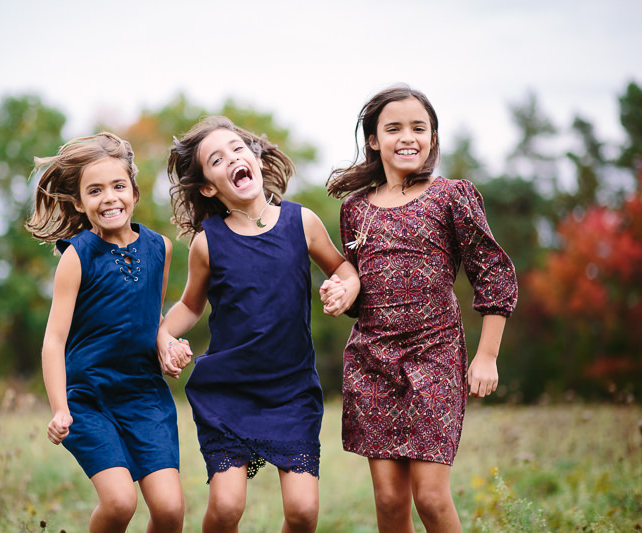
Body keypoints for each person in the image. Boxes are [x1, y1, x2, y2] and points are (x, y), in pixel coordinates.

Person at [323, 85, 518, 533]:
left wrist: (487, 355)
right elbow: (358, 280)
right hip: (372, 360)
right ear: (373, 139)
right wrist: (342, 292)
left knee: (429, 497)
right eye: (393, 128)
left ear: (432, 136)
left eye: (418, 127)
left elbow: (493, 273)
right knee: (390, 501)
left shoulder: (451, 196)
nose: (407, 137)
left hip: (434, 355)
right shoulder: (356, 209)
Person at [158, 116, 359, 533]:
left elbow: (343, 269)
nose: (231, 158)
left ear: (256, 158)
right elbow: (191, 306)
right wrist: (162, 333)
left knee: (303, 513)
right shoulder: (207, 242)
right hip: (228, 393)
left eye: (237, 149)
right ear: (209, 187)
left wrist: (345, 289)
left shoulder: (301, 222)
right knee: (228, 506)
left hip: (291, 391)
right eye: (216, 159)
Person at [26, 132, 184, 533]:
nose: (109, 197)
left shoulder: (160, 248)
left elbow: (153, 318)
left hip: (145, 397)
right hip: (89, 400)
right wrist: (60, 407)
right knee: (119, 504)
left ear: (134, 192)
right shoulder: (77, 256)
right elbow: (54, 341)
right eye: (94, 190)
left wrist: (166, 344)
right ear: (79, 202)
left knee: (169, 511)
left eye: (118, 186)